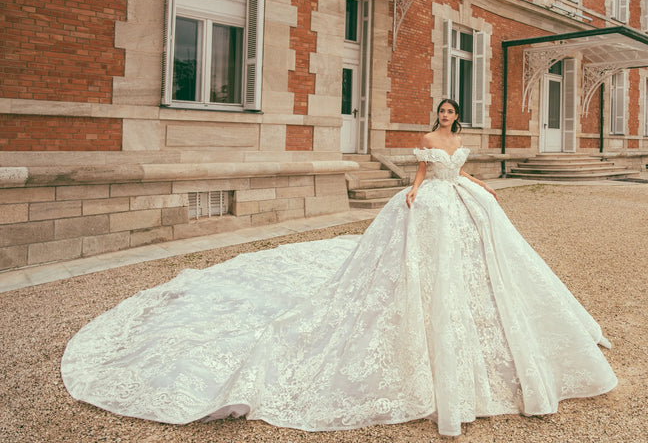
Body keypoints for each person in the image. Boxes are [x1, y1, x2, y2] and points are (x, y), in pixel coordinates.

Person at [61, 99, 617, 437]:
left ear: (457, 118)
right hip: (430, 206)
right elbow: (424, 175)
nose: (446, 119)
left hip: (461, 203)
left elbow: (458, 174)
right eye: (442, 113)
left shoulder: (461, 142)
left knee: (472, 266)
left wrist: (480, 185)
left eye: (451, 113)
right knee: (417, 266)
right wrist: (410, 193)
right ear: (436, 116)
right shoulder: (426, 140)